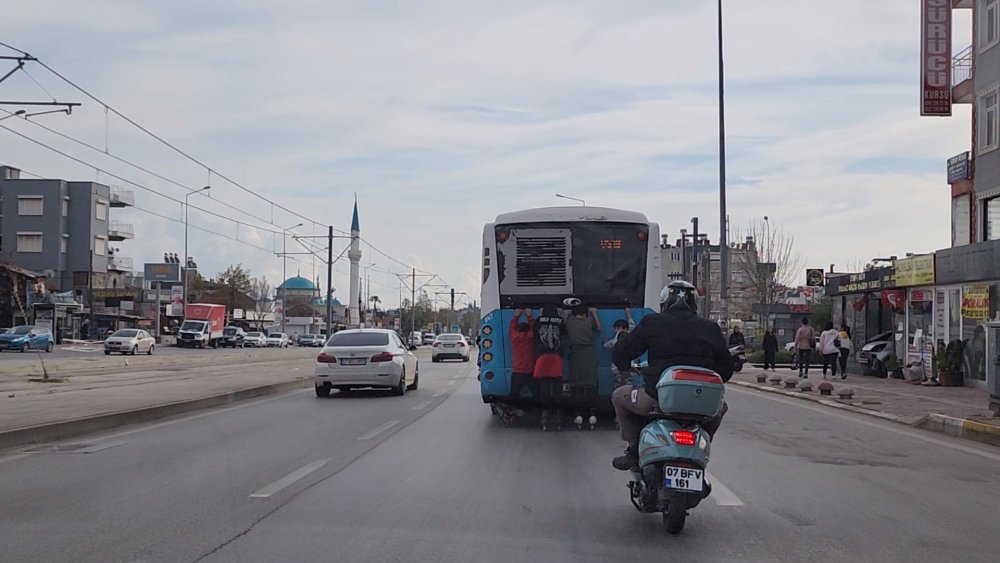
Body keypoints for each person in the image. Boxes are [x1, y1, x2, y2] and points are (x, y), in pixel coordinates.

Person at [610, 281, 733, 471]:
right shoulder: (710, 328)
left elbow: (622, 354)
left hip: (655, 397)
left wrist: (624, 364)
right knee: (721, 407)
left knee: (619, 396)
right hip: (702, 402)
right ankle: (701, 448)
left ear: (664, 302)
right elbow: (726, 370)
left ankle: (634, 451)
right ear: (694, 304)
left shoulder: (652, 322)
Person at [565, 304, 602, 428]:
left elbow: (562, 328)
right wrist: (594, 313)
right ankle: (593, 415)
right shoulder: (588, 321)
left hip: (576, 355)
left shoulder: (569, 323)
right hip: (589, 354)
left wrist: (566, 315)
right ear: (585, 313)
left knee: (577, 386)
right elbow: (599, 328)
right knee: (592, 384)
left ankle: (578, 415)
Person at [533, 302, 567, 431]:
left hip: (542, 357)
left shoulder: (539, 320)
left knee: (545, 387)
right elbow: (564, 333)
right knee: (557, 387)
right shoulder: (559, 320)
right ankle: (558, 417)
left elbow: (535, 332)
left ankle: (544, 416)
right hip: (556, 357)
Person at [508, 308, 536, 403]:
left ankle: (511, 412)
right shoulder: (531, 338)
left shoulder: (514, 338)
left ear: (517, 330)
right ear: (528, 330)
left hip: (517, 373)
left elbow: (511, 327)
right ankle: (542, 413)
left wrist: (516, 316)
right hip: (529, 372)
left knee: (513, 395)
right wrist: (529, 316)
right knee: (538, 394)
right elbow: (534, 328)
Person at [604, 308, 636, 387]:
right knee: (629, 384)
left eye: (617, 328)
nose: (616, 330)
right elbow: (632, 325)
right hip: (630, 366)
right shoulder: (631, 334)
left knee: (618, 384)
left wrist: (605, 342)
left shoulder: (617, 338)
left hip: (617, 367)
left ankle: (618, 398)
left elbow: (607, 345)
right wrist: (628, 315)